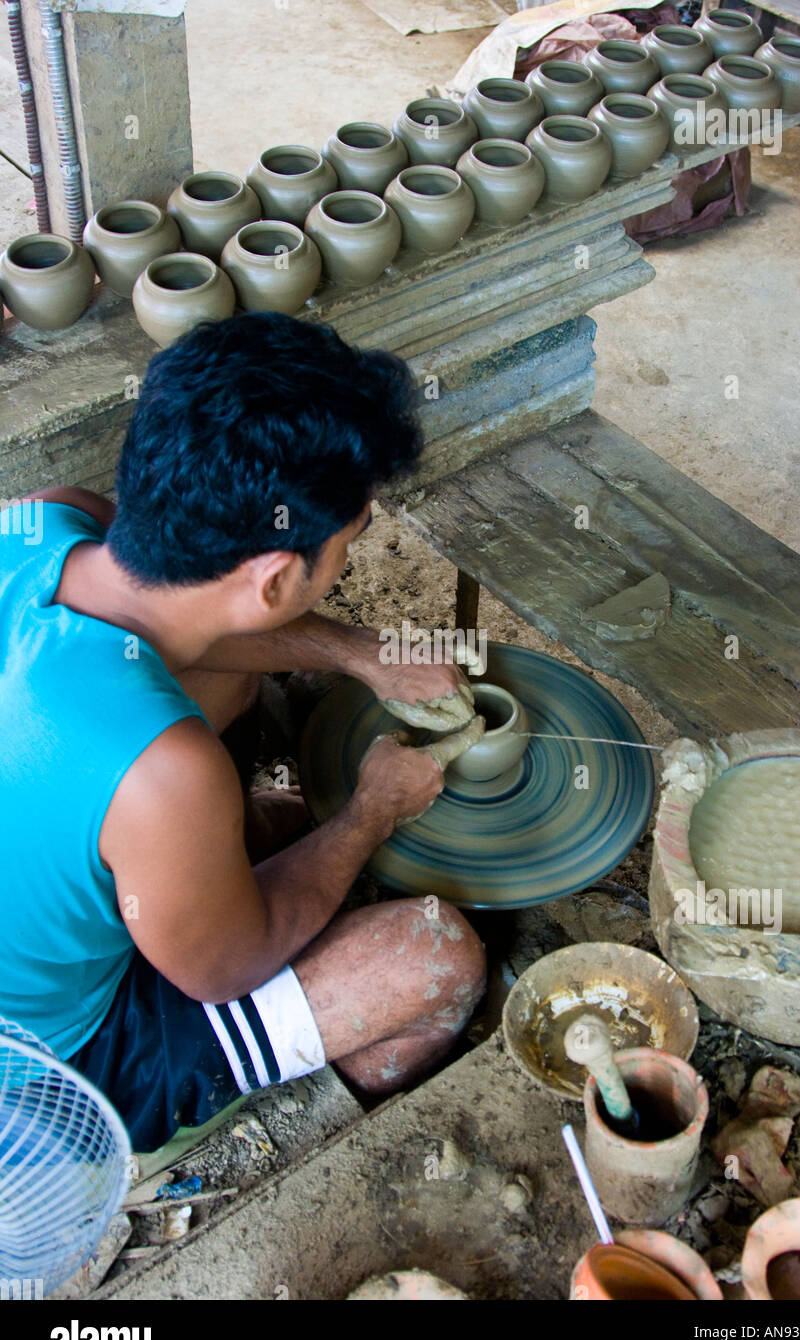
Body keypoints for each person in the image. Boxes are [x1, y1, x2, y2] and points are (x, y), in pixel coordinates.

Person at [0, 313, 486, 1151]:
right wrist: (372, 811)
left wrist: (360, 654)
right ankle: (312, 1117)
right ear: (274, 575)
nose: (346, 559)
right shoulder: (164, 772)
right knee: (438, 956)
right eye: (347, 544)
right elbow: (226, 966)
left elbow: (184, 610)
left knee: (232, 687)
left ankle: (185, 877)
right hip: (47, 1067)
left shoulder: (41, 523)